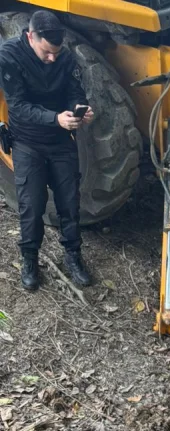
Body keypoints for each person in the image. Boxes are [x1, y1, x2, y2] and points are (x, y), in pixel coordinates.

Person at [0, 10, 94, 292]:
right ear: (30, 37)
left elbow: (74, 90)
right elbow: (17, 107)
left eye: (56, 52)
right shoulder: (9, 56)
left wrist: (82, 107)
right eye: (46, 52)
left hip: (61, 140)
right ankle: (29, 259)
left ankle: (74, 256)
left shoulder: (63, 56)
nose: (52, 58)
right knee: (32, 205)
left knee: (69, 202)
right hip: (27, 141)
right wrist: (55, 118)